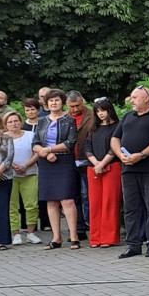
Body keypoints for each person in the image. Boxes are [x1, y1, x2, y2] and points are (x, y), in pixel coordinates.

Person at [110, 85, 149, 258]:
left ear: (146, 98)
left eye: (135, 97)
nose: (132, 101)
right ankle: (133, 244)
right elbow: (115, 138)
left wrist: (141, 155)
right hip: (128, 169)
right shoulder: (128, 116)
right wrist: (120, 154)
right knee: (131, 208)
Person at [32, 89, 80, 250]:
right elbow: (35, 143)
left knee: (67, 199)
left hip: (64, 162)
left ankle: (74, 237)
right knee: (51, 201)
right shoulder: (42, 121)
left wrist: (50, 150)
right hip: (46, 163)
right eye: (51, 101)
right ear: (46, 103)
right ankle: (56, 238)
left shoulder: (69, 120)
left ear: (62, 102)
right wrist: (45, 153)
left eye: (57, 100)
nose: (54, 103)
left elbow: (70, 142)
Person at [79, 98, 122, 247]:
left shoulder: (117, 126)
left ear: (109, 110)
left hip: (112, 167)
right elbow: (87, 148)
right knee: (95, 203)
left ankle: (109, 238)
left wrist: (102, 163)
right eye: (97, 111)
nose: (100, 114)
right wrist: (96, 164)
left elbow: (115, 149)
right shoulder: (93, 128)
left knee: (110, 203)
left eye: (103, 110)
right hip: (94, 168)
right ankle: (96, 238)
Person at [7, 111, 40, 245]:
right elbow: (2, 156)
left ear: (21, 122)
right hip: (9, 176)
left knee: (32, 204)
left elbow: (37, 152)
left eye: (16, 121)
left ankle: (31, 233)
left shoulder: (31, 135)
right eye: (10, 122)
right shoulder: (3, 137)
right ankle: (16, 234)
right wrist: (14, 166)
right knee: (12, 206)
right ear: (6, 124)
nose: (13, 124)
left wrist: (26, 165)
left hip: (30, 173)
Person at [66, 91, 90, 243]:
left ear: (83, 102)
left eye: (77, 106)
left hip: (87, 159)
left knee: (87, 194)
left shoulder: (92, 115)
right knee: (73, 196)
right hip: (68, 161)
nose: (74, 109)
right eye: (71, 106)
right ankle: (79, 229)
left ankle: (91, 225)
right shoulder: (64, 117)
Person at [0, 126, 12, 249]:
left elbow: (9, 156)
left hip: (4, 177)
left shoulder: (7, 138)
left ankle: (2, 240)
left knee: (2, 209)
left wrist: (0, 170)